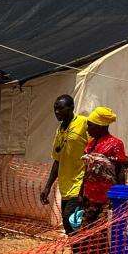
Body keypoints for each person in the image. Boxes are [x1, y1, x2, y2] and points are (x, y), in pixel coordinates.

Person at [73, 106, 128, 254]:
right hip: (90, 196)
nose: (88, 129)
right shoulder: (91, 144)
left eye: (90, 125)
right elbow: (87, 171)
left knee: (98, 236)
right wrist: (81, 192)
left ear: (100, 126)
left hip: (107, 198)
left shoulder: (115, 144)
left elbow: (120, 171)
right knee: (84, 233)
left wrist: (119, 195)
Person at [40, 94, 89, 235]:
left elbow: (94, 151)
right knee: (69, 226)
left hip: (80, 185)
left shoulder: (83, 123)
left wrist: (87, 184)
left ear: (71, 108)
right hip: (65, 187)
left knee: (73, 223)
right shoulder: (59, 130)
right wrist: (47, 187)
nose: (57, 112)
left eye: (60, 108)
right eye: (55, 109)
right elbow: (57, 160)